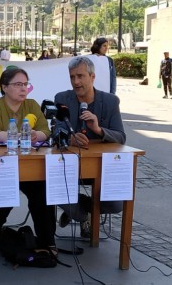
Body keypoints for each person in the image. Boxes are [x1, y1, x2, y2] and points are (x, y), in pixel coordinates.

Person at [0, 67, 57, 251]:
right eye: (18, 84)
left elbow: (45, 131)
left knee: (42, 193)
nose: (24, 89)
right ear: (5, 87)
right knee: (6, 196)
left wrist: (34, 135)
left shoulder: (31, 104)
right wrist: (18, 135)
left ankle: (47, 242)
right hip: (4, 165)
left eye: (25, 84)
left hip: (30, 165)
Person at [54, 56, 126, 237]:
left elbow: (121, 137)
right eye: (72, 77)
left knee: (116, 204)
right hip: (69, 166)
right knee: (53, 190)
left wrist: (99, 129)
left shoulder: (110, 101)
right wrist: (69, 139)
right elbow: (55, 132)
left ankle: (82, 208)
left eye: (80, 76)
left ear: (92, 77)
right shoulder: (61, 98)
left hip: (100, 168)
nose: (76, 82)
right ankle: (81, 215)